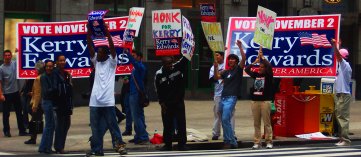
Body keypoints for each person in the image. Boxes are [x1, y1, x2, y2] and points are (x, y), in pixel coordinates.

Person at [86, 23, 127, 156]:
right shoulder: (96, 62)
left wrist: (107, 31)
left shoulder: (112, 62)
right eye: (98, 53)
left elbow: (112, 46)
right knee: (95, 128)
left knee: (113, 126)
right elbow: (90, 46)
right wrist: (88, 31)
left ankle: (120, 145)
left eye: (101, 53)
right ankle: (97, 149)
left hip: (108, 102)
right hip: (94, 102)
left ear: (107, 54)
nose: (98, 54)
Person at [213, 40, 246, 149]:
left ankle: (230, 141)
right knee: (223, 120)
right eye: (230, 59)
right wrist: (216, 66)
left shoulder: (238, 70)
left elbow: (244, 60)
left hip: (231, 98)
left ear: (236, 61)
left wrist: (240, 47)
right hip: (223, 97)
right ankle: (230, 141)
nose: (231, 60)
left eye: (233, 59)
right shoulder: (226, 71)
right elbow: (217, 77)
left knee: (226, 118)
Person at [155, 56, 189, 151]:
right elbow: (158, 90)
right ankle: (167, 145)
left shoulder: (178, 68)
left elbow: (185, 59)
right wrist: (161, 103)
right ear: (163, 64)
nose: (170, 65)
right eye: (168, 64)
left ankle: (182, 144)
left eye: (171, 63)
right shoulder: (159, 74)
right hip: (166, 104)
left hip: (178, 102)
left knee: (181, 124)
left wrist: (190, 44)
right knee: (167, 125)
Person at [245, 46, 274, 149]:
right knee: (256, 123)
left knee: (267, 123)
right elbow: (247, 69)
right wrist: (255, 61)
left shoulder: (268, 76)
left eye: (262, 67)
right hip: (255, 101)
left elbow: (269, 67)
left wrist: (263, 57)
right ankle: (257, 142)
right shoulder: (256, 75)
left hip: (265, 101)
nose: (260, 68)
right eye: (259, 67)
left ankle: (269, 141)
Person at [0, 49, 28, 137]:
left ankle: (22, 130)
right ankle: (6, 131)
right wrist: (1, 94)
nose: (8, 57)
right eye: (6, 55)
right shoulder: (1, 68)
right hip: (6, 94)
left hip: (16, 93)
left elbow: (20, 59)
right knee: (6, 114)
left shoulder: (14, 64)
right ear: (3, 57)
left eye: (9, 55)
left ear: (11, 56)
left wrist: (18, 50)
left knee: (19, 113)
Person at [209, 51, 236, 140]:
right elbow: (212, 79)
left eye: (218, 55)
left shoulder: (228, 66)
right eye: (215, 55)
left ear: (222, 56)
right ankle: (216, 133)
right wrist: (222, 78)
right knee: (218, 113)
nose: (216, 57)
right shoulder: (214, 67)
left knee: (230, 114)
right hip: (218, 94)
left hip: (229, 94)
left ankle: (231, 133)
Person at [125, 50, 149, 144]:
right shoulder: (136, 68)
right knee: (139, 115)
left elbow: (134, 63)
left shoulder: (140, 67)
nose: (132, 57)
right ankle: (138, 135)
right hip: (133, 93)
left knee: (136, 116)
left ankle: (143, 136)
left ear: (139, 57)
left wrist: (128, 54)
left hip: (136, 94)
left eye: (134, 55)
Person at [331, 39, 352, 146]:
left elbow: (338, 56)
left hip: (343, 94)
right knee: (339, 116)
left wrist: (335, 45)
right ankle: (342, 138)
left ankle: (345, 140)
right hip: (339, 93)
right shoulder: (340, 66)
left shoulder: (345, 65)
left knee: (343, 117)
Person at [53, 54, 73, 154]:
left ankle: (60, 145)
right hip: (59, 103)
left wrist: (69, 80)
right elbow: (55, 89)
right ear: (56, 62)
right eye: (60, 60)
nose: (62, 62)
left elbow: (68, 87)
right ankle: (59, 146)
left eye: (63, 60)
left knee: (67, 124)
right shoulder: (55, 73)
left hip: (66, 103)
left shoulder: (65, 74)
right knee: (60, 125)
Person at [38, 60, 57, 154]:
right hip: (47, 102)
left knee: (49, 125)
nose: (49, 68)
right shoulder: (44, 77)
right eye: (48, 66)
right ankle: (47, 147)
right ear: (45, 67)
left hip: (49, 102)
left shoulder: (52, 75)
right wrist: (55, 88)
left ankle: (43, 147)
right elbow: (46, 91)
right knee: (50, 125)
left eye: (51, 66)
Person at [24, 61, 44, 145]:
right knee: (36, 120)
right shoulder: (44, 77)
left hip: (38, 103)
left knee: (34, 120)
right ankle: (33, 137)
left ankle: (33, 138)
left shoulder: (38, 78)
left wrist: (35, 105)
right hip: (41, 102)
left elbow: (38, 93)